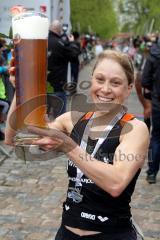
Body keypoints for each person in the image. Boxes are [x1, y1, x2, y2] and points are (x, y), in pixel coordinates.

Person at [5, 50, 149, 240]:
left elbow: (116, 183)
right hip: (67, 233)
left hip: (111, 234)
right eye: (100, 79)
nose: (105, 89)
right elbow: (14, 137)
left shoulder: (134, 129)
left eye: (115, 83)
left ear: (129, 88)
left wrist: (68, 146)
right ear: (91, 81)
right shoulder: (72, 121)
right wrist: (20, 91)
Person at [47, 20, 80, 116]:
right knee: (60, 118)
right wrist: (72, 42)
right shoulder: (60, 43)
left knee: (43, 120)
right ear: (60, 30)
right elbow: (74, 55)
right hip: (58, 85)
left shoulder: (42, 41)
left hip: (43, 86)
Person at [141, 36, 160, 184]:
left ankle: (152, 173)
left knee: (157, 137)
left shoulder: (154, 54)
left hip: (157, 101)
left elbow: (145, 80)